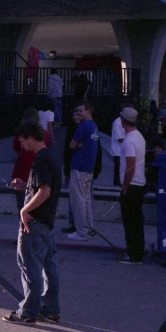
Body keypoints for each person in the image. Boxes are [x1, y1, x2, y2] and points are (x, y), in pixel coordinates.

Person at [2, 119, 61, 324]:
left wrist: (25, 210)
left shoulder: (39, 160)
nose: (22, 145)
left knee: (30, 268)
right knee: (48, 267)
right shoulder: (51, 157)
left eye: (22, 141)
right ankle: (50, 309)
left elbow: (45, 190)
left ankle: (28, 312)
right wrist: (26, 186)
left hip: (34, 222)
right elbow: (42, 187)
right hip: (46, 222)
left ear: (29, 137)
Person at [117, 107, 147, 264]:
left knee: (129, 222)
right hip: (140, 184)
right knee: (137, 221)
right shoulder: (139, 137)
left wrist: (124, 186)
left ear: (123, 121)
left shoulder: (128, 141)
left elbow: (130, 166)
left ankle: (133, 254)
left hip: (132, 185)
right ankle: (138, 252)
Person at [67, 101, 99, 241]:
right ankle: (89, 228)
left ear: (88, 111)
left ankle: (81, 231)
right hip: (88, 167)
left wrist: (75, 145)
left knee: (78, 200)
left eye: (81, 111)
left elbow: (71, 144)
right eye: (77, 111)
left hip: (79, 166)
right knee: (86, 199)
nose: (78, 113)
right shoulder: (93, 126)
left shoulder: (83, 126)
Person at [11, 108, 47, 212]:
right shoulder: (44, 133)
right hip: (32, 172)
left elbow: (16, 148)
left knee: (23, 204)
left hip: (23, 170)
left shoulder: (21, 134)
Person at [110, 106, 127, 187]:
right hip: (118, 151)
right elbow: (120, 138)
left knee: (122, 169)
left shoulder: (124, 122)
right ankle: (116, 186)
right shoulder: (117, 122)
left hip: (123, 150)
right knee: (118, 170)